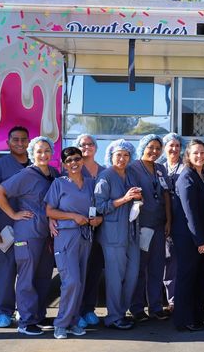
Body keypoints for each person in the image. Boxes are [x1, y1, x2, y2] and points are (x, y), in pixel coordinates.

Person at [0, 136, 58, 336]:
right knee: (26, 278)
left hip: (46, 235)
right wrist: (13, 214)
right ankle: (26, 321)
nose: (43, 154)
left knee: (43, 277)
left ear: (52, 152)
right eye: (38, 151)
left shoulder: (53, 174)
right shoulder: (26, 174)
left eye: (47, 150)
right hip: (27, 233)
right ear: (32, 154)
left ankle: (37, 316)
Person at [45, 147, 102, 339]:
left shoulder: (90, 183)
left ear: (82, 160)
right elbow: (49, 211)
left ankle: (74, 320)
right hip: (66, 236)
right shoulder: (59, 183)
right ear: (63, 164)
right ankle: (61, 323)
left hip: (86, 236)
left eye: (77, 159)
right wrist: (72, 216)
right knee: (71, 281)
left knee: (81, 282)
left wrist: (98, 220)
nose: (74, 163)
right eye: (69, 160)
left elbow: (98, 209)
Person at [0, 126, 30, 328]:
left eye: (23, 139)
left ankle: (26, 310)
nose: (19, 143)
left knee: (28, 273)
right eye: (15, 140)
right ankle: (3, 311)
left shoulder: (37, 166)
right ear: (8, 143)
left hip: (29, 230)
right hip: (3, 229)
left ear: (29, 142)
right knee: (5, 272)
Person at [95, 139, 141, 330]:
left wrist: (138, 197)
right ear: (111, 156)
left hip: (131, 233)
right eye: (118, 155)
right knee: (115, 277)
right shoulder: (105, 177)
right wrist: (124, 199)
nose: (122, 158)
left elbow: (135, 197)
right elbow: (99, 206)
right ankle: (113, 317)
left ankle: (122, 312)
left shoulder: (130, 174)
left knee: (132, 275)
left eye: (126, 155)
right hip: (113, 236)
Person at [129, 134, 172, 322]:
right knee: (139, 268)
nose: (154, 151)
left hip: (159, 225)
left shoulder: (161, 169)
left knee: (157, 267)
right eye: (150, 147)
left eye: (157, 148)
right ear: (143, 147)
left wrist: (169, 220)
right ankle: (137, 308)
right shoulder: (133, 168)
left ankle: (155, 306)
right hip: (142, 226)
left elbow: (166, 196)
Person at [171, 139, 204, 331]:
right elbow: (190, 213)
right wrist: (200, 240)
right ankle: (184, 319)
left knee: (198, 278)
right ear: (188, 155)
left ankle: (197, 315)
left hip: (199, 235)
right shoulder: (186, 177)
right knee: (187, 277)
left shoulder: (201, 175)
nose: (200, 156)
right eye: (195, 152)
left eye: (202, 152)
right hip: (189, 237)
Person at [74, 134, 106, 328]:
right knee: (77, 271)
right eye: (82, 144)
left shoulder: (104, 171)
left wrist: (100, 219)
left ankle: (88, 308)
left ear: (96, 147)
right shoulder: (72, 169)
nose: (87, 147)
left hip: (99, 227)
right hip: (78, 228)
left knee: (94, 269)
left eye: (90, 144)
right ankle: (75, 310)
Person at [161, 132, 183, 312]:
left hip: (181, 220)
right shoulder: (159, 168)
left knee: (176, 260)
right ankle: (164, 299)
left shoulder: (185, 168)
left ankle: (176, 299)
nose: (174, 149)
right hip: (161, 220)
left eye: (177, 146)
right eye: (171, 145)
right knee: (164, 259)